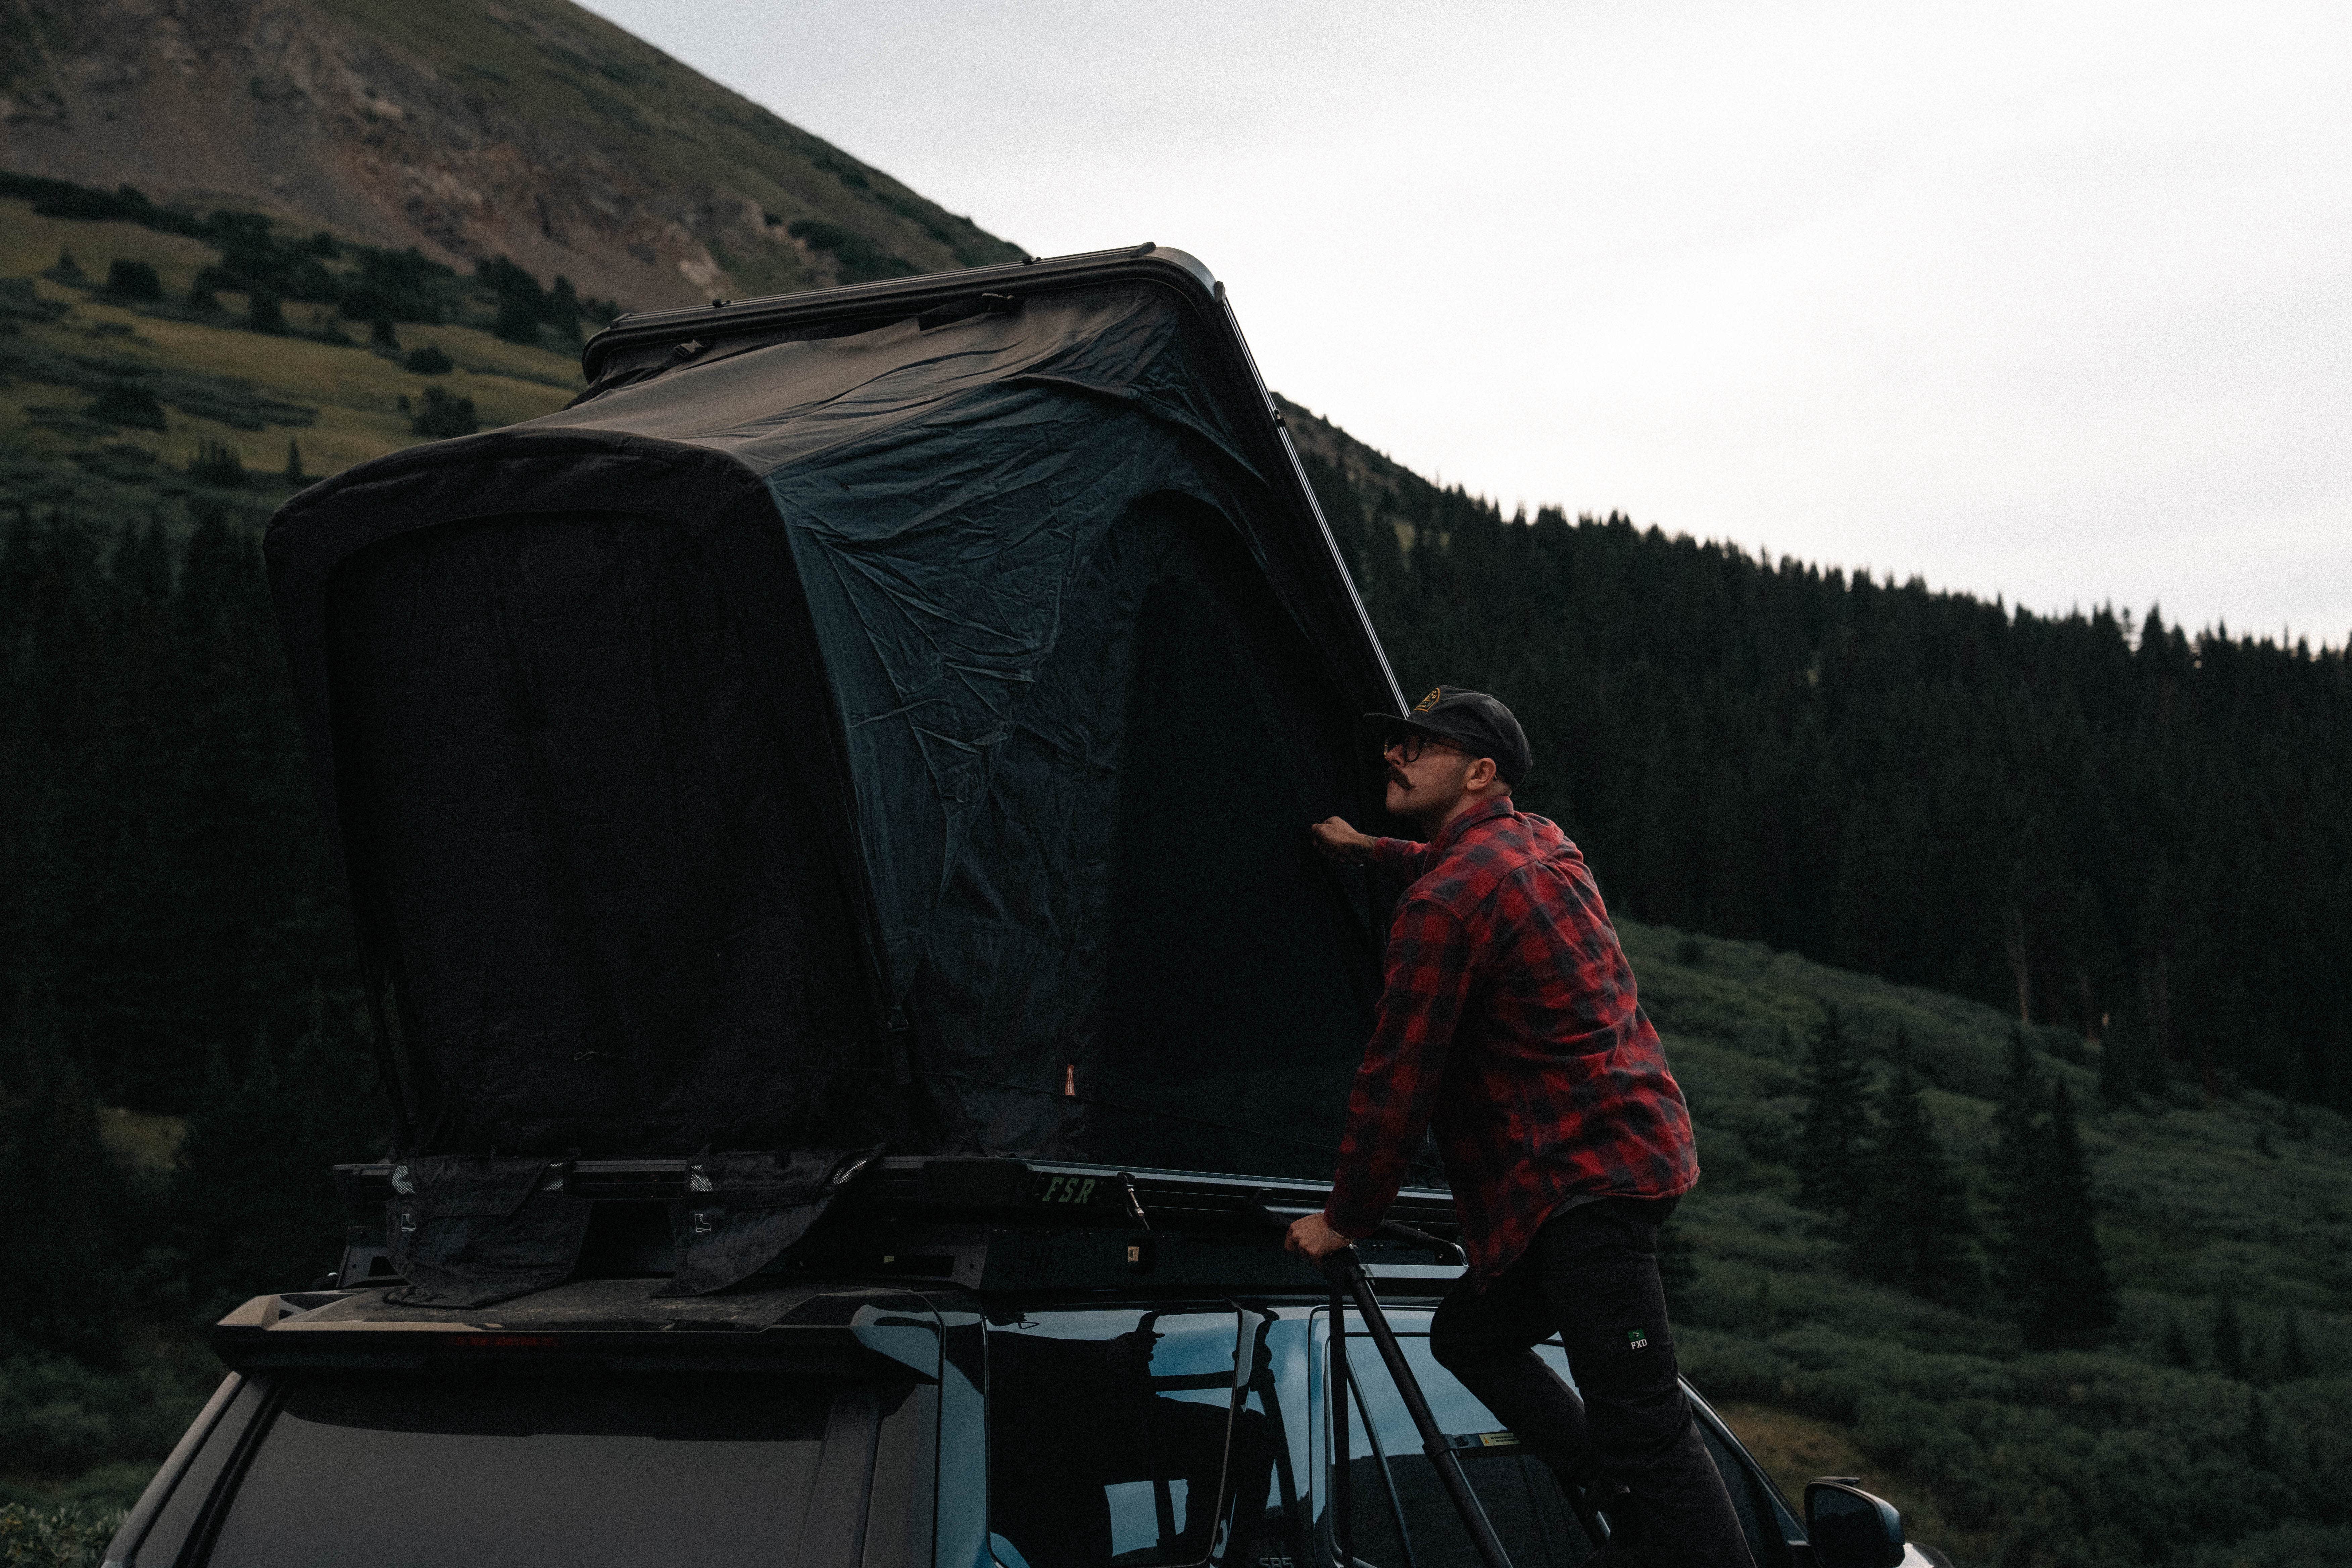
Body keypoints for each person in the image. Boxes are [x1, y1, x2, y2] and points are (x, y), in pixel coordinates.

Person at [1285, 685, 1753, 1568]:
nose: (1395, 754)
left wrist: (1345, 1217)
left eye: (1418, 746)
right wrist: (1369, 850)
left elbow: (1398, 1082)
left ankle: (1633, 1489)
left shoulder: (1446, 907)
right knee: (1470, 1336)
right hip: (1605, 1170)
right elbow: (1455, 869)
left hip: (1583, 1188)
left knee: (1651, 1436)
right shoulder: (1541, 844)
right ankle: (1613, 1489)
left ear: (1478, 771)